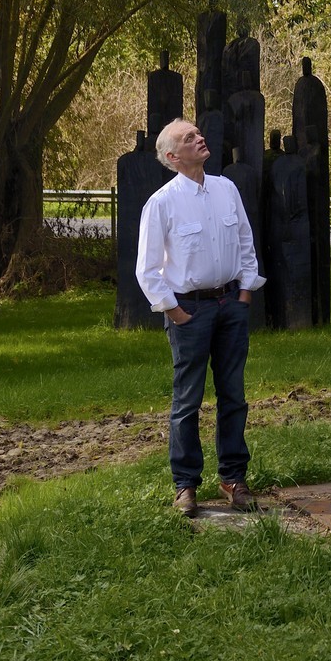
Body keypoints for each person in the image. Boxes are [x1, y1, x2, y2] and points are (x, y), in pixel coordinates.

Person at [135, 118, 266, 517]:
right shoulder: (162, 203)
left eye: (198, 133)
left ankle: (233, 478)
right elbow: (147, 269)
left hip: (230, 306)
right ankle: (186, 485)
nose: (199, 138)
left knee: (234, 397)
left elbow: (245, 241)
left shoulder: (226, 189)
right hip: (189, 311)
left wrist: (244, 293)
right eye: (188, 138)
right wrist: (174, 311)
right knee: (187, 401)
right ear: (173, 157)